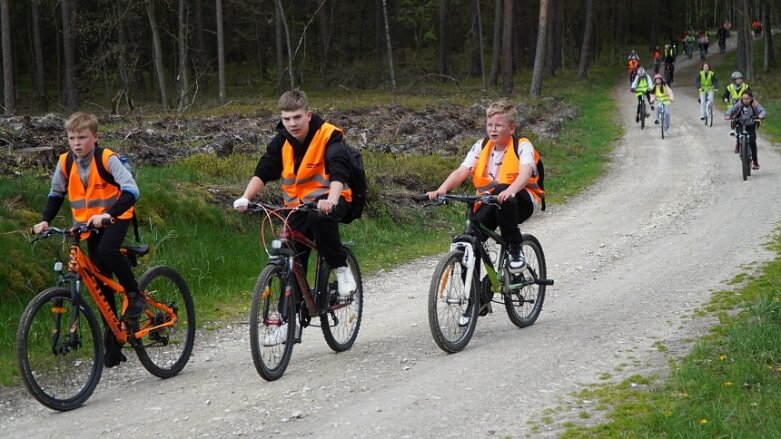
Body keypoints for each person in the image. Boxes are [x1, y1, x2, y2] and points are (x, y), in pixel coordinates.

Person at [233, 90, 357, 345]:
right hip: (298, 206)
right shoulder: (282, 140)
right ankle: (289, 323)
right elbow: (265, 168)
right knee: (288, 257)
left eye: (297, 117)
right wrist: (246, 197)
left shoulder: (328, 136)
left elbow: (338, 170)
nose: (292, 123)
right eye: (286, 118)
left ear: (308, 115)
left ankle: (341, 268)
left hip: (334, 199)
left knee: (320, 220)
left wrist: (331, 200)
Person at [32, 111, 144, 368]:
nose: (76, 143)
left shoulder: (107, 158)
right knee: (99, 281)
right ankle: (114, 341)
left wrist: (108, 214)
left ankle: (134, 293)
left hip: (116, 216)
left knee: (107, 251)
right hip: (85, 225)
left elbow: (131, 190)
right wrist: (45, 220)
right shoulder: (65, 162)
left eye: (82, 137)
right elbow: (56, 193)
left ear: (96, 137)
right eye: (72, 138)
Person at [426, 99, 543, 322]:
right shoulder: (481, 146)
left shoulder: (522, 145)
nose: (493, 129)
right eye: (490, 125)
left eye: (499, 126)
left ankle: (515, 247)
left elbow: (526, 172)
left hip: (520, 201)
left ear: (511, 128)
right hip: (491, 201)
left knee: (501, 191)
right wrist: (441, 190)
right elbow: (463, 170)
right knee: (468, 241)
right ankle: (476, 300)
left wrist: (511, 190)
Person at [724, 90, 766, 169]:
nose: (745, 100)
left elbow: (762, 110)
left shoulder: (754, 103)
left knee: (752, 143)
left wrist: (761, 115)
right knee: (738, 134)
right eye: (744, 98)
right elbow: (732, 110)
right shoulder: (739, 104)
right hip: (740, 123)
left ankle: (755, 162)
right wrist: (727, 115)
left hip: (751, 125)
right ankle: (739, 144)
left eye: (747, 98)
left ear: (751, 98)